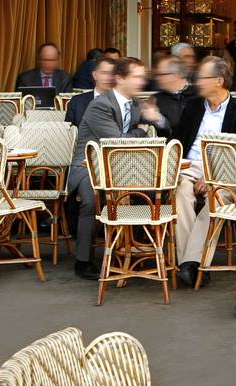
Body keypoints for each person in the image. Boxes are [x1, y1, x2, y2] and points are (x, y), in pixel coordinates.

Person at [66, 57, 165, 280]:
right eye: (137, 77)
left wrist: (157, 118)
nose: (142, 82)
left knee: (154, 191)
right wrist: (141, 130)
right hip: (90, 165)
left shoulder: (136, 104)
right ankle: (83, 260)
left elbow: (164, 126)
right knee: (92, 199)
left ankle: (135, 248)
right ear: (120, 78)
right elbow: (118, 141)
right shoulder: (100, 105)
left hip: (123, 165)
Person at [170, 57, 236, 286]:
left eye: (202, 77)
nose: (197, 82)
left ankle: (190, 263)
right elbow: (176, 140)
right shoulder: (192, 106)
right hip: (189, 167)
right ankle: (192, 263)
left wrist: (212, 177)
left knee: (215, 200)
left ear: (219, 80)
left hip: (224, 172)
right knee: (180, 193)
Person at [65, 55, 119, 129]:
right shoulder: (77, 102)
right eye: (104, 73)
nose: (108, 78)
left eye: (112, 74)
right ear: (94, 75)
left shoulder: (123, 102)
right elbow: (68, 132)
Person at [152, 54, 196, 131]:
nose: (157, 78)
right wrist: (158, 119)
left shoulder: (198, 95)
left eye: (161, 74)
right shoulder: (156, 100)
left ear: (176, 75)